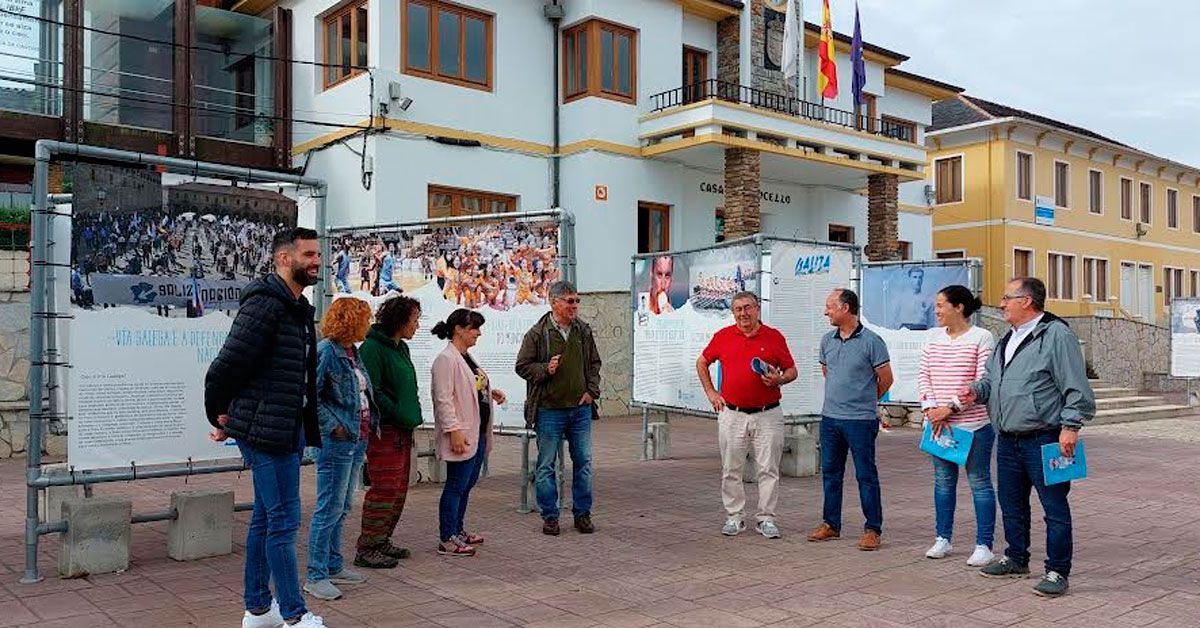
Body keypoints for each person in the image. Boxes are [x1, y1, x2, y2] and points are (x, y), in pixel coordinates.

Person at [204, 227, 325, 628]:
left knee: (266, 519)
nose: (316, 261)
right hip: (265, 432)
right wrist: (218, 413)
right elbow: (227, 365)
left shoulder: (297, 308)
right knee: (284, 521)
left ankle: (258, 610)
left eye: (318, 255)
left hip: (285, 430)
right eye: (308, 254)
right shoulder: (266, 306)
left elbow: (301, 378)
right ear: (283, 259)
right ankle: (294, 615)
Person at [960, 277, 1095, 597]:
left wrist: (1071, 426)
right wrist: (975, 392)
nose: (1002, 303)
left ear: (1027, 302)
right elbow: (992, 380)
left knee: (1054, 508)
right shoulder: (1007, 338)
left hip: (1045, 437)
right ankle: (1016, 558)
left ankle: (1057, 571)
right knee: (1012, 503)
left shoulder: (1056, 335)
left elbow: (1077, 387)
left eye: (1008, 298)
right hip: (1007, 438)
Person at [696, 292, 797, 538]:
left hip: (768, 414)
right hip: (732, 413)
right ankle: (734, 517)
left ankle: (766, 519)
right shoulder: (723, 336)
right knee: (731, 468)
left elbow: (792, 370)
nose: (743, 313)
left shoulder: (774, 337)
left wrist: (779, 378)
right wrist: (711, 393)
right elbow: (702, 362)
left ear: (758, 309)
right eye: (738, 309)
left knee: (769, 469)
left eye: (748, 308)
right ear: (733, 313)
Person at [916, 285, 997, 567]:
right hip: (939, 427)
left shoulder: (982, 338)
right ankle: (943, 538)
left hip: (973, 426)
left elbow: (981, 381)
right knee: (943, 483)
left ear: (959, 307)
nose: (936, 311)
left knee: (980, 483)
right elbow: (924, 376)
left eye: (941, 305)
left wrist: (948, 409)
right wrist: (930, 410)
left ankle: (984, 544)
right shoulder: (932, 340)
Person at [515, 280, 602, 536]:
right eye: (569, 301)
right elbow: (522, 366)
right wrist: (545, 369)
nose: (575, 306)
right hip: (548, 410)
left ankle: (582, 515)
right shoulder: (537, 333)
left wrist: (591, 392)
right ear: (554, 302)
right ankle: (550, 516)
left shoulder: (583, 331)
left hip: (580, 410)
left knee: (584, 463)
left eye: (577, 301)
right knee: (546, 465)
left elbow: (595, 363)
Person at [303, 297, 377, 601]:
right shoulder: (326, 352)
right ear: (351, 320)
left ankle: (333, 565)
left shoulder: (351, 352)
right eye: (366, 319)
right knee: (328, 507)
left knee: (343, 505)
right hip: (336, 441)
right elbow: (309, 396)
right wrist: (334, 425)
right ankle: (315, 574)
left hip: (355, 439)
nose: (369, 324)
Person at [808, 288, 893, 551]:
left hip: (860, 421)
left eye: (830, 306)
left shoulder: (872, 341)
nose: (826, 312)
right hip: (830, 419)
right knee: (831, 474)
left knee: (866, 475)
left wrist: (865, 399)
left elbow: (886, 378)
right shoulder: (827, 340)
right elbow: (828, 372)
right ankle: (831, 524)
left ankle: (872, 529)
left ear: (846, 308)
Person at [353, 295, 424, 569]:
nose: (417, 326)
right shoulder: (373, 349)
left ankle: (382, 539)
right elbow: (373, 390)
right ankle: (367, 546)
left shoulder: (400, 348)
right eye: (414, 320)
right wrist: (396, 410)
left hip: (402, 429)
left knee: (398, 490)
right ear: (399, 320)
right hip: (385, 430)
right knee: (384, 489)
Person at [430, 309, 507, 556]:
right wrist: (453, 431)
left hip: (478, 433)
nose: (478, 333)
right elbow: (443, 399)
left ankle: (458, 529)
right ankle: (447, 537)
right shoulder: (446, 359)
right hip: (463, 434)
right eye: (474, 328)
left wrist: (489, 392)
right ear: (459, 329)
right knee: (455, 485)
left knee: (467, 484)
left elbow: (469, 388)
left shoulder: (466, 358)